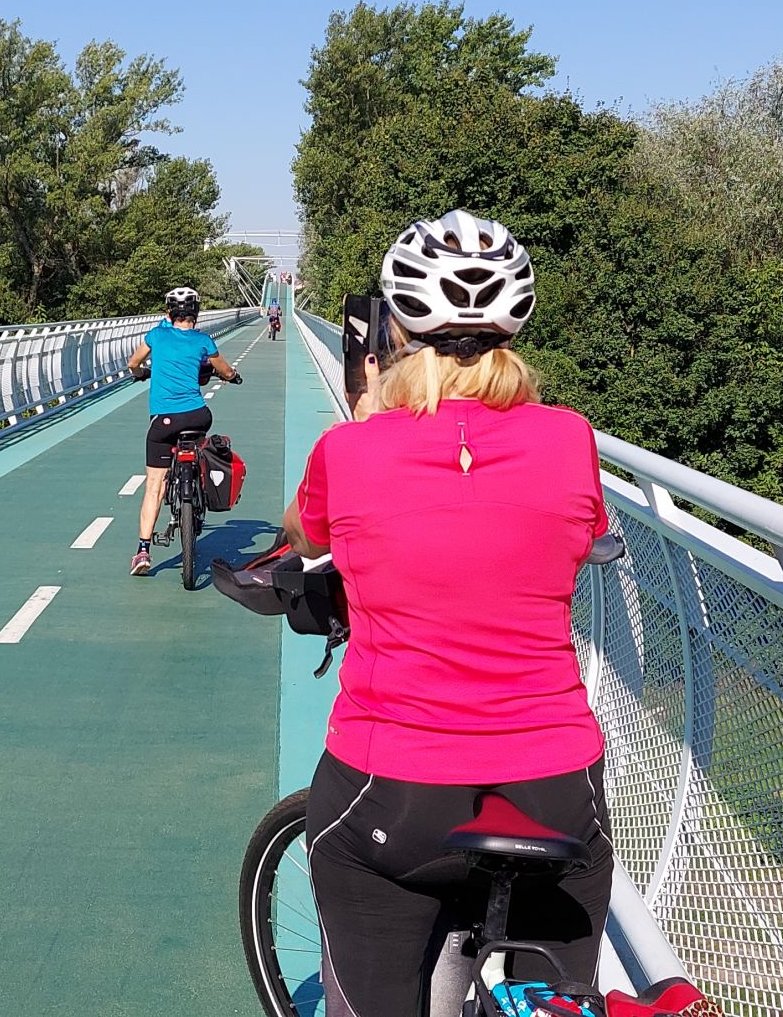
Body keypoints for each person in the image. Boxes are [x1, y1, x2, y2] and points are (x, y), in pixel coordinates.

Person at [281, 210, 615, 1016]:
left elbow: (305, 533)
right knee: (559, 1000)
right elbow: (583, 536)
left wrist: (371, 420)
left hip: (393, 788)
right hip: (556, 783)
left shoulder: (350, 450)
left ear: (394, 330)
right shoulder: (571, 438)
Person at [126, 286, 240, 575]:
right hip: (197, 416)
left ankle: (142, 552)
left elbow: (133, 363)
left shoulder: (156, 336)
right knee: (198, 442)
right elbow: (225, 371)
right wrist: (233, 377)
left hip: (163, 422)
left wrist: (142, 374)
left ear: (169, 313)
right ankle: (197, 483)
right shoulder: (203, 342)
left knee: (155, 486)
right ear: (196, 313)